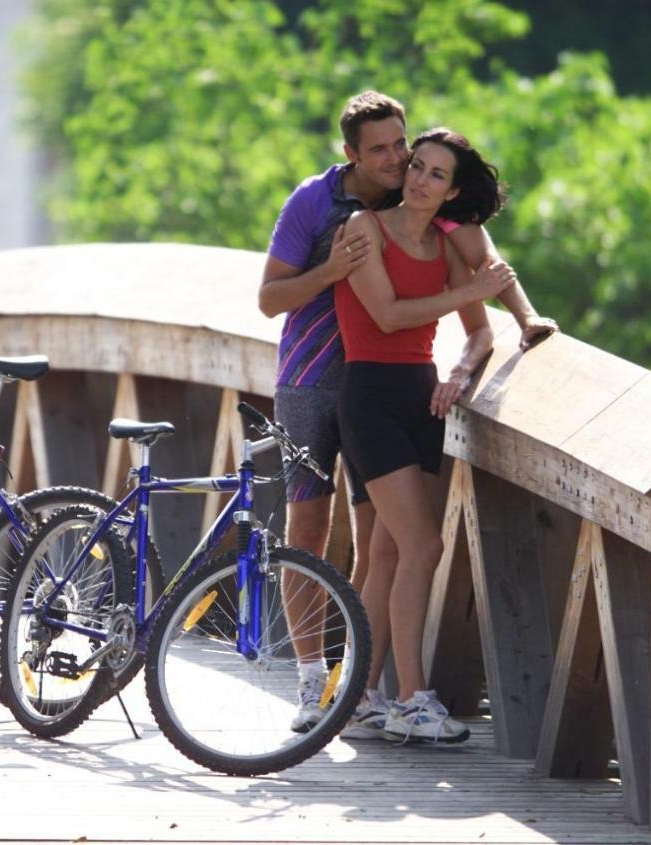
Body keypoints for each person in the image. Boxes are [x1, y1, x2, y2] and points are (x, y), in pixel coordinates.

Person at [258, 91, 556, 734]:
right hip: (314, 381)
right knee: (311, 529)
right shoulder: (324, 207)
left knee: (384, 550)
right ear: (352, 155)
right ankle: (318, 687)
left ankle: (359, 693)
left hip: (410, 390)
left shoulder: (440, 231)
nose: (401, 163)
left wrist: (509, 329)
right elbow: (271, 300)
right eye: (388, 152)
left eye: (406, 147)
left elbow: (483, 266)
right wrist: (333, 268)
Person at [337, 127, 513, 742]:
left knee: (391, 554)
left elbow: (481, 332)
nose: (418, 179)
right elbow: (385, 316)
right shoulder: (365, 228)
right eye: (417, 166)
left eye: (437, 174)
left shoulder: (445, 247)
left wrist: (461, 373)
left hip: (422, 397)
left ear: (452, 191)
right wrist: (467, 292)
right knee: (424, 548)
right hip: (368, 398)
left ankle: (358, 698)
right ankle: (411, 700)